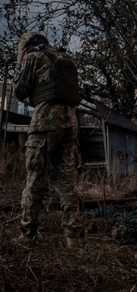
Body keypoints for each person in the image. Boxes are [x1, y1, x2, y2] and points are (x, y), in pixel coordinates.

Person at [12, 32, 83, 248]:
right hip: (70, 124)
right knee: (67, 181)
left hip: (45, 125)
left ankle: (27, 235)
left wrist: (19, 63)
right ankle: (73, 238)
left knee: (35, 179)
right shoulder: (63, 58)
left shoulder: (33, 58)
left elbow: (19, 91)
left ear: (25, 47)